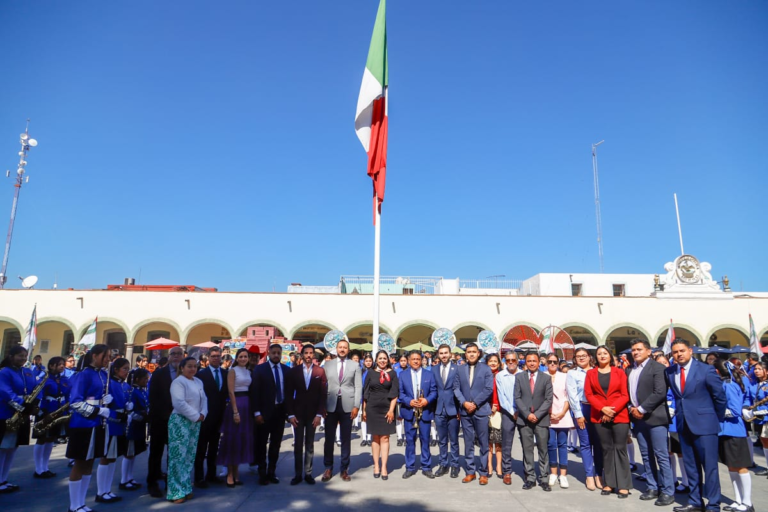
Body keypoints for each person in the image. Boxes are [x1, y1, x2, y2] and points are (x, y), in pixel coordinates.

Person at [666, 339, 726, 512]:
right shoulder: (670, 372)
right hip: (684, 425)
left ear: (690, 351)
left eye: (682, 350)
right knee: (691, 467)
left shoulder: (706, 370)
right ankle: (695, 502)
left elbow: (720, 397)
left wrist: (714, 419)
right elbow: (679, 397)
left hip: (705, 426)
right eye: (676, 352)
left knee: (710, 468)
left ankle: (713, 504)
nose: (679, 354)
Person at [627, 339, 675, 506]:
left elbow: (660, 392)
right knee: (646, 455)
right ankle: (652, 486)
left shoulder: (658, 368)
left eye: (639, 349)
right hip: (638, 419)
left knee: (661, 455)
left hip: (655, 417)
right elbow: (628, 393)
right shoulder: (629, 370)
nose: (636, 352)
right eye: (633, 349)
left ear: (649, 351)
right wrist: (631, 408)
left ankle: (668, 490)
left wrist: (641, 409)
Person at [65, 344, 112, 512]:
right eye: (105, 356)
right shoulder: (83, 375)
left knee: (89, 463)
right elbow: (76, 402)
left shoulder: (103, 374)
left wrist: (107, 401)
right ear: (94, 356)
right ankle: (74, 505)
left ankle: (82, 502)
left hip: (98, 423)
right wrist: (98, 409)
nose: (108, 360)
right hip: (83, 424)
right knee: (80, 463)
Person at [584, 345, 632, 498]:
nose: (602, 356)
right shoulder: (591, 373)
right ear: (595, 357)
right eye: (599, 354)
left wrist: (611, 410)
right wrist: (602, 409)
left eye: (605, 353)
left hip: (619, 415)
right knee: (606, 450)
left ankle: (624, 485)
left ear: (610, 356)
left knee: (620, 449)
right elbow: (589, 394)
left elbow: (625, 395)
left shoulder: (620, 372)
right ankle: (609, 483)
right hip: (599, 415)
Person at [713, 360, 754, 512]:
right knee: (732, 467)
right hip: (725, 430)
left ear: (718, 371)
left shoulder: (729, 385)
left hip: (734, 431)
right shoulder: (726, 383)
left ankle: (747, 502)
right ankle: (738, 500)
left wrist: (714, 413)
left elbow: (735, 411)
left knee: (740, 466)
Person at [167, 356, 207, 504]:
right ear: (182, 368)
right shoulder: (178, 382)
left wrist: (203, 413)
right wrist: (196, 415)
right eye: (189, 366)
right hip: (180, 421)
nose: (192, 369)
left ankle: (185, 487)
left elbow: (204, 400)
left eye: (194, 366)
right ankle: (175, 491)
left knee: (189, 456)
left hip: (195, 422)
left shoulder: (198, 381)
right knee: (178, 457)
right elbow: (179, 403)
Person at [0, 346, 40, 494]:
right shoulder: (4, 372)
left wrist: (35, 403)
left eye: (25, 356)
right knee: (3, 448)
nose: (23, 359)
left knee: (12, 448)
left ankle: (3, 479)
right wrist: (23, 405)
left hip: (22, 414)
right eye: (20, 356)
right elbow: (5, 392)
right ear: (11, 356)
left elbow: (36, 389)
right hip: (6, 413)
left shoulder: (27, 372)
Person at [286, 344, 327, 485]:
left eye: (311, 353)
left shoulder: (320, 371)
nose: (309, 355)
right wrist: (290, 414)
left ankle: (308, 473)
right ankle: (297, 474)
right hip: (298, 414)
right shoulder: (294, 372)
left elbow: (323, 395)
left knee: (309, 444)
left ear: (314, 355)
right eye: (306, 353)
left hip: (313, 414)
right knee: (298, 445)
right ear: (302, 355)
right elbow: (289, 394)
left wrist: (319, 415)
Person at [322, 339, 362, 482]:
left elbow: (358, 387)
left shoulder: (355, 365)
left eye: (345, 347)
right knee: (329, 438)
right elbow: (323, 386)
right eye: (340, 347)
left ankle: (344, 468)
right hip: (330, 404)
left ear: (348, 349)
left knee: (345, 439)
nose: (342, 349)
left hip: (348, 405)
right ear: (336, 349)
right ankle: (328, 467)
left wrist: (356, 406)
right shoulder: (328, 364)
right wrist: (322, 405)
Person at [454, 342, 495, 485]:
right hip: (465, 411)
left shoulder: (486, 369)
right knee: (468, 442)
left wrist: (475, 403)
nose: (471, 354)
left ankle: (483, 472)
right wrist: (464, 403)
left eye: (474, 351)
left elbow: (488, 389)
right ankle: (470, 471)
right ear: (465, 354)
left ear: (478, 353)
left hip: (481, 411)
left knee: (483, 443)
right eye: (469, 351)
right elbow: (456, 389)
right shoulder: (460, 369)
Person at [146, 346, 183, 497]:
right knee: (156, 452)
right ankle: (152, 482)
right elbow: (153, 397)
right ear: (168, 357)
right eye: (173, 354)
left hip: (180, 420)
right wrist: (164, 414)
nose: (176, 356)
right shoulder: (159, 373)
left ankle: (171, 482)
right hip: (160, 420)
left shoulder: (187, 373)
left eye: (179, 354)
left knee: (174, 454)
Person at [514, 351, 554, 491]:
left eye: (534, 361)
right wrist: (526, 414)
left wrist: (537, 414)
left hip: (541, 419)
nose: (531, 363)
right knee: (527, 449)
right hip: (524, 420)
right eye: (529, 361)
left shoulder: (546, 378)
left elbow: (549, 399)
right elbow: (517, 397)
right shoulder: (519, 377)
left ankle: (544, 478)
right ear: (525, 362)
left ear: (539, 362)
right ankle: (530, 478)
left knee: (543, 450)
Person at [251, 343, 289, 485]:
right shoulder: (260, 370)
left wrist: (289, 413)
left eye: (279, 353)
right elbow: (255, 393)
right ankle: (262, 472)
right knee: (261, 443)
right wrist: (257, 412)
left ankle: (272, 472)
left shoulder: (286, 370)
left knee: (276, 444)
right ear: (268, 353)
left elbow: (288, 393)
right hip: (264, 413)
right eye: (273, 353)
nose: (276, 355)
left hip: (279, 412)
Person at [95, 357, 132, 503]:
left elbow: (127, 398)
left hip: (121, 422)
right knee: (106, 457)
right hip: (111, 422)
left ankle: (107, 489)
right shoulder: (109, 383)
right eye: (124, 369)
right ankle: (101, 491)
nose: (127, 372)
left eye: (128, 369)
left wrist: (129, 406)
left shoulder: (124, 385)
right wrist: (103, 400)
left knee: (113, 457)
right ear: (115, 369)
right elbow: (100, 400)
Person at [566, 347, 603, 491]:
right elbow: (572, 394)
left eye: (584, 356)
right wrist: (578, 414)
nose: (581, 358)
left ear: (589, 357)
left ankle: (599, 474)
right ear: (575, 359)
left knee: (599, 444)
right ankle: (589, 475)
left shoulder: (597, 370)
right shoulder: (572, 373)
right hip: (582, 408)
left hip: (598, 409)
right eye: (578, 356)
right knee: (586, 444)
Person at [399, 350, 438, 479]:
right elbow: (400, 393)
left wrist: (426, 400)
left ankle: (426, 467)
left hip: (425, 412)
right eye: (413, 359)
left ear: (422, 360)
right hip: (409, 412)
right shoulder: (403, 375)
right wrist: (408, 401)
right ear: (409, 361)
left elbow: (434, 391)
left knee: (425, 440)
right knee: (410, 441)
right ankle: (410, 467)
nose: (416, 361)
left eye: (418, 359)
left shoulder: (429, 374)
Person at [195, 346, 229, 487]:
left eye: (218, 356)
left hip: (219, 416)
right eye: (213, 356)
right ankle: (199, 477)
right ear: (208, 358)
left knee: (214, 448)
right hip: (204, 416)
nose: (216, 358)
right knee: (201, 448)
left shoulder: (225, 373)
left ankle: (211, 474)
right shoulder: (201, 375)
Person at [362, 350, 398, 480]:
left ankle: (384, 466)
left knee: (385, 438)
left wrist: (391, 410)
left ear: (388, 360)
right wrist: (364, 410)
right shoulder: (370, 373)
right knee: (375, 437)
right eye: (380, 358)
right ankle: (376, 465)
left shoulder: (393, 374)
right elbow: (365, 393)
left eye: (384, 358)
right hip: (372, 408)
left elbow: (395, 393)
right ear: (376, 360)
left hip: (387, 409)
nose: (382, 360)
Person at [32, 356, 70, 479]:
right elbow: (38, 396)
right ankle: (38, 469)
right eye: (59, 364)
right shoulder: (45, 379)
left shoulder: (64, 379)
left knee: (51, 439)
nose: (62, 366)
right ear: (51, 366)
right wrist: (41, 412)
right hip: (46, 411)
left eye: (63, 364)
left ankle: (45, 466)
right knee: (42, 438)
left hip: (58, 412)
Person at [546, 353, 574, 489]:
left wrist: (562, 413)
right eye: (550, 361)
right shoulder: (543, 376)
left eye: (555, 362)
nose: (552, 364)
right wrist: (549, 412)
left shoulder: (565, 376)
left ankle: (563, 475)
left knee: (562, 444)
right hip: (547, 415)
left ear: (558, 363)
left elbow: (569, 396)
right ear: (546, 363)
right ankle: (553, 472)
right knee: (551, 444)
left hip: (563, 414)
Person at [433, 343, 461, 479]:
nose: (444, 355)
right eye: (441, 353)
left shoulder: (457, 369)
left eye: (446, 353)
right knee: (442, 440)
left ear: (450, 354)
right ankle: (443, 464)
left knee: (454, 440)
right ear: (438, 354)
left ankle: (455, 465)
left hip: (453, 409)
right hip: (439, 410)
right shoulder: (433, 369)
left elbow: (460, 390)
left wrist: (459, 410)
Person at [496, 349, 521, 485]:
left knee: (526, 443)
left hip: (523, 413)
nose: (511, 363)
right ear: (505, 361)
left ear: (517, 361)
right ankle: (507, 471)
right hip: (508, 412)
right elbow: (502, 396)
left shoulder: (523, 374)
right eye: (508, 360)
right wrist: (512, 411)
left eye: (513, 360)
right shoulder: (500, 376)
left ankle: (528, 470)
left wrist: (520, 410)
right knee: (506, 443)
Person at [121, 368, 148, 491]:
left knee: (133, 454)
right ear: (137, 379)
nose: (146, 381)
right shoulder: (132, 392)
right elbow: (130, 411)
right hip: (132, 425)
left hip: (140, 425)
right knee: (128, 453)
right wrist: (142, 415)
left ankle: (130, 477)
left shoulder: (142, 391)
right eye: (144, 379)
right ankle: (124, 479)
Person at [483, 354, 503, 478]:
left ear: (499, 363)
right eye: (490, 361)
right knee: (488, 442)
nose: (493, 363)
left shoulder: (501, 375)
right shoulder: (484, 375)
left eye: (495, 361)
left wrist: (496, 405)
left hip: (499, 411)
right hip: (486, 410)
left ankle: (499, 466)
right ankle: (489, 465)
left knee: (499, 442)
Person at [750, 363, 768, 478]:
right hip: (758, 417)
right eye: (755, 369)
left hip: (766, 416)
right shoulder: (754, 384)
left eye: (759, 369)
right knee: (764, 441)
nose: (756, 371)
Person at [359, 354, 374, 446]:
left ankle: (369, 437)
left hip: (372, 398)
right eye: (367, 361)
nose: (368, 363)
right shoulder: (361, 372)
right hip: (363, 397)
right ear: (364, 362)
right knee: (363, 418)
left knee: (370, 418)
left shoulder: (374, 371)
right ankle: (364, 437)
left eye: (370, 361)